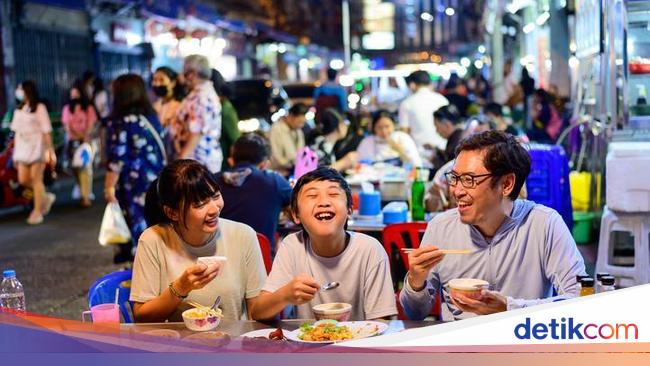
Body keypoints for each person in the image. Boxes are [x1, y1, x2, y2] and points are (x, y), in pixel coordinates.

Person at [400, 131, 586, 321]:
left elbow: (580, 300)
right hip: (459, 345)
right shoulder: (440, 227)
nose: (456, 191)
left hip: (522, 341)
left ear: (506, 184)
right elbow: (415, 313)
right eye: (455, 178)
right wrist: (416, 282)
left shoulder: (544, 224)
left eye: (469, 180)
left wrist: (509, 308)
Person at [251, 167, 397, 321]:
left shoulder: (369, 250)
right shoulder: (293, 245)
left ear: (349, 210)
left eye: (333, 194)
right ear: (296, 215)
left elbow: (383, 321)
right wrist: (285, 295)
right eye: (312, 195)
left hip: (360, 342)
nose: (324, 202)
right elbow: (258, 312)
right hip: (308, 342)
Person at [133, 159, 266, 322]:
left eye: (216, 196)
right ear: (172, 213)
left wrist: (283, 295)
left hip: (234, 343)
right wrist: (181, 287)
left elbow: (258, 311)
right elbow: (142, 316)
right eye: (200, 204)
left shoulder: (244, 235)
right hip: (181, 344)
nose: (214, 209)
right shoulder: (152, 240)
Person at [104, 74, 166, 264]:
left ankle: (141, 277)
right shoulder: (151, 117)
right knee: (153, 224)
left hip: (132, 184)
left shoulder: (121, 121)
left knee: (136, 228)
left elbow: (117, 158)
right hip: (155, 179)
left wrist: (108, 187)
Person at [216, 134, 291, 252]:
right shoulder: (274, 181)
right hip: (262, 262)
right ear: (264, 164)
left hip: (221, 259)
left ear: (231, 160)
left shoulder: (212, 181)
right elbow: (297, 208)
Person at [10, 80, 57, 225]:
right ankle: (45, 197)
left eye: (20, 88)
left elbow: (46, 131)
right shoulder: (19, 109)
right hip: (22, 150)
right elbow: (16, 134)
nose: (18, 91)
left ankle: (37, 211)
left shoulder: (40, 108)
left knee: (36, 180)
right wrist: (15, 154)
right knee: (24, 179)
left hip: (37, 148)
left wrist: (50, 150)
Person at [176, 54, 222, 173]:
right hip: (196, 161)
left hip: (197, 162)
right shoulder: (200, 94)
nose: (181, 75)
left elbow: (196, 133)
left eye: (184, 71)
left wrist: (179, 163)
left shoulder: (202, 98)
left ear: (192, 74)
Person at [398, 70, 449, 163]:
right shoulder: (443, 100)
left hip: (419, 156)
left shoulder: (406, 104)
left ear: (412, 85)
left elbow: (404, 134)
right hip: (444, 152)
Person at [61, 83, 98, 208]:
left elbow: (92, 123)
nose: (74, 96)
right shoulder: (67, 109)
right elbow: (67, 127)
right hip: (73, 143)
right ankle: (81, 189)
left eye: (76, 93)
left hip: (86, 142)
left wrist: (85, 135)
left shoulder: (89, 108)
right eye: (72, 93)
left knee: (85, 168)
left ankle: (85, 196)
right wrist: (77, 135)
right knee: (76, 169)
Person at [356, 110, 421, 166]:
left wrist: (399, 149)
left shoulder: (403, 138)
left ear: (393, 125)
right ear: (373, 128)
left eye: (387, 126)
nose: (384, 131)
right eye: (379, 127)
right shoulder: (367, 142)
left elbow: (416, 164)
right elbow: (359, 164)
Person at [211, 69, 241, 172]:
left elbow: (235, 140)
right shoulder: (218, 106)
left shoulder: (225, 109)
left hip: (222, 166)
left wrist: (234, 168)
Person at [268, 103, 309, 176]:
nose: (301, 125)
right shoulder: (277, 129)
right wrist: (292, 165)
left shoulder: (298, 131)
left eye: (303, 122)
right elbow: (276, 156)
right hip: (279, 174)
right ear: (291, 116)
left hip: (295, 172)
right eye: (299, 122)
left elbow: (302, 152)